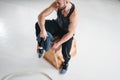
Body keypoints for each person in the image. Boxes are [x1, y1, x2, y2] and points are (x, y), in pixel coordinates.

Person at [35, 0, 78, 74]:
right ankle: (41, 45)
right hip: (57, 25)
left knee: (66, 51)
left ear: (66, 2)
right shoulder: (57, 4)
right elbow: (41, 15)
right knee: (38, 25)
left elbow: (71, 33)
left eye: (59, 3)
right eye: (56, 1)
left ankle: (66, 63)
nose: (56, 4)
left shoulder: (74, 14)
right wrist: (43, 30)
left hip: (67, 32)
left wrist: (58, 43)